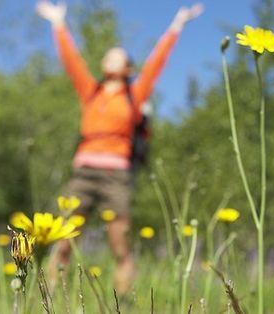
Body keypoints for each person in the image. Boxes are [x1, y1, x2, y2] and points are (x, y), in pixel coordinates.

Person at [36, 0, 203, 294]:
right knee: (63, 238)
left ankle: (122, 301)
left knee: (119, 243)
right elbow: (71, 60)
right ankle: (49, 297)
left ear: (128, 68)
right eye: (108, 56)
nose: (111, 59)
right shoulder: (91, 92)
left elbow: (156, 63)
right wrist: (58, 23)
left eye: (118, 56)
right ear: (103, 65)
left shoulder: (135, 95)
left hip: (117, 176)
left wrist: (177, 26)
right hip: (84, 173)